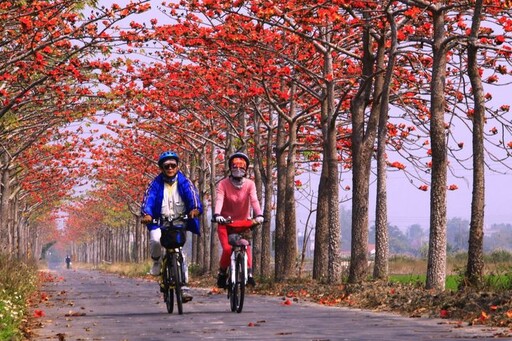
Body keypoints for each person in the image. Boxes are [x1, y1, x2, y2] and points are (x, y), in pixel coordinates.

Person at [141, 151, 202, 302]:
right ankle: (156, 262)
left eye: (172, 165)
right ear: (161, 168)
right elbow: (149, 199)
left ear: (177, 166)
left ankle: (184, 286)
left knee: (180, 252)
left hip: (179, 220)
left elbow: (192, 196)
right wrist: (147, 214)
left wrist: (195, 209)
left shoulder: (184, 182)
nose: (170, 168)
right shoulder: (155, 184)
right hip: (160, 221)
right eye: (166, 166)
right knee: (155, 240)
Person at [213, 152, 264, 288]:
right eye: (234, 166)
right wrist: (217, 214)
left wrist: (259, 214)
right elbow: (219, 199)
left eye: (241, 166)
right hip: (225, 223)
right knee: (228, 249)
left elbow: (254, 200)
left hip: (243, 223)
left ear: (246, 169)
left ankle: (249, 273)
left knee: (245, 244)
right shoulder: (223, 184)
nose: (238, 169)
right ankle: (222, 273)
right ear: (230, 167)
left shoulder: (250, 184)